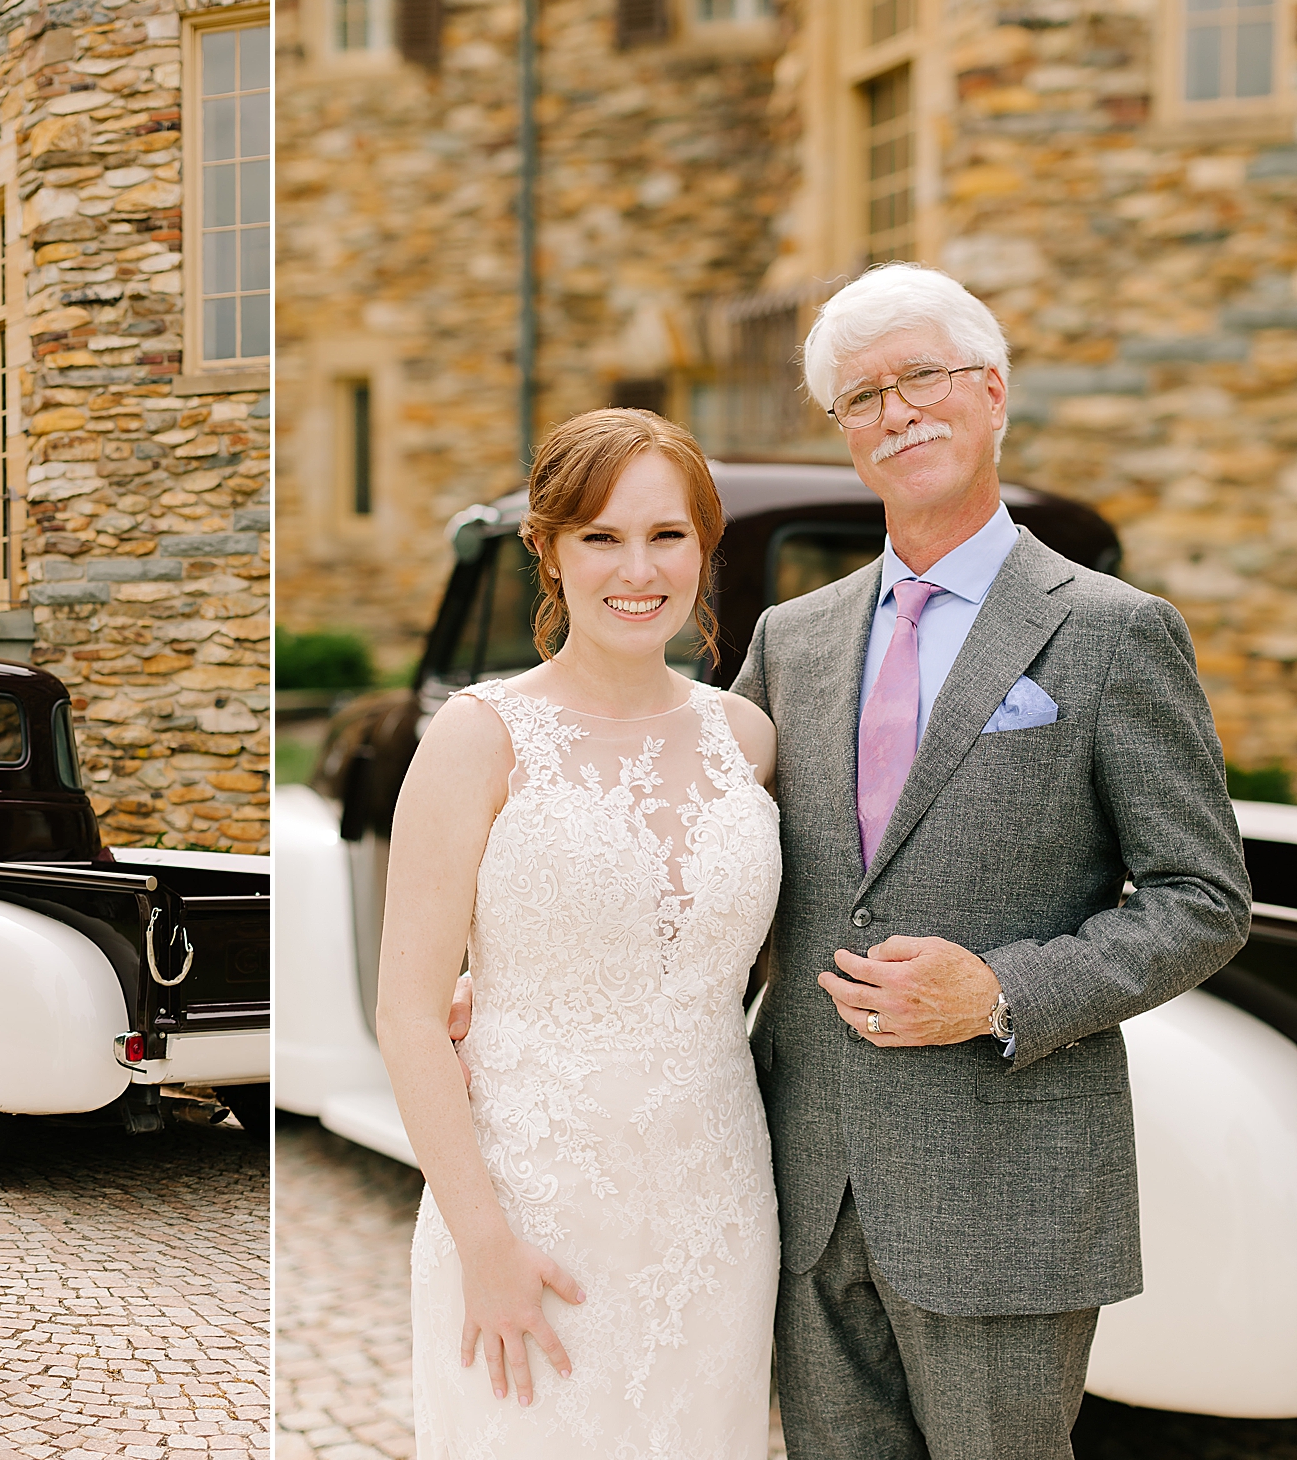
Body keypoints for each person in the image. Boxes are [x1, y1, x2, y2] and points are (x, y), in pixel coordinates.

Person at [729, 263, 1251, 1460]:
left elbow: (1201, 898)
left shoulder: (1114, 629)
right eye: (858, 395)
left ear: (992, 391)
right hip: (804, 1179)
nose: (894, 409)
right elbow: (711, 864)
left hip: (1003, 1190)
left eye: (920, 375)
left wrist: (1000, 989)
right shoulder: (788, 640)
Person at [378, 409, 784, 1457]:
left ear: (703, 544)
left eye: (665, 534)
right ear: (549, 551)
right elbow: (410, 1014)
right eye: (600, 535)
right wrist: (482, 1239)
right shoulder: (477, 737)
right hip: (531, 1209)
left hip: (715, 1205)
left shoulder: (747, 739)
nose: (635, 568)